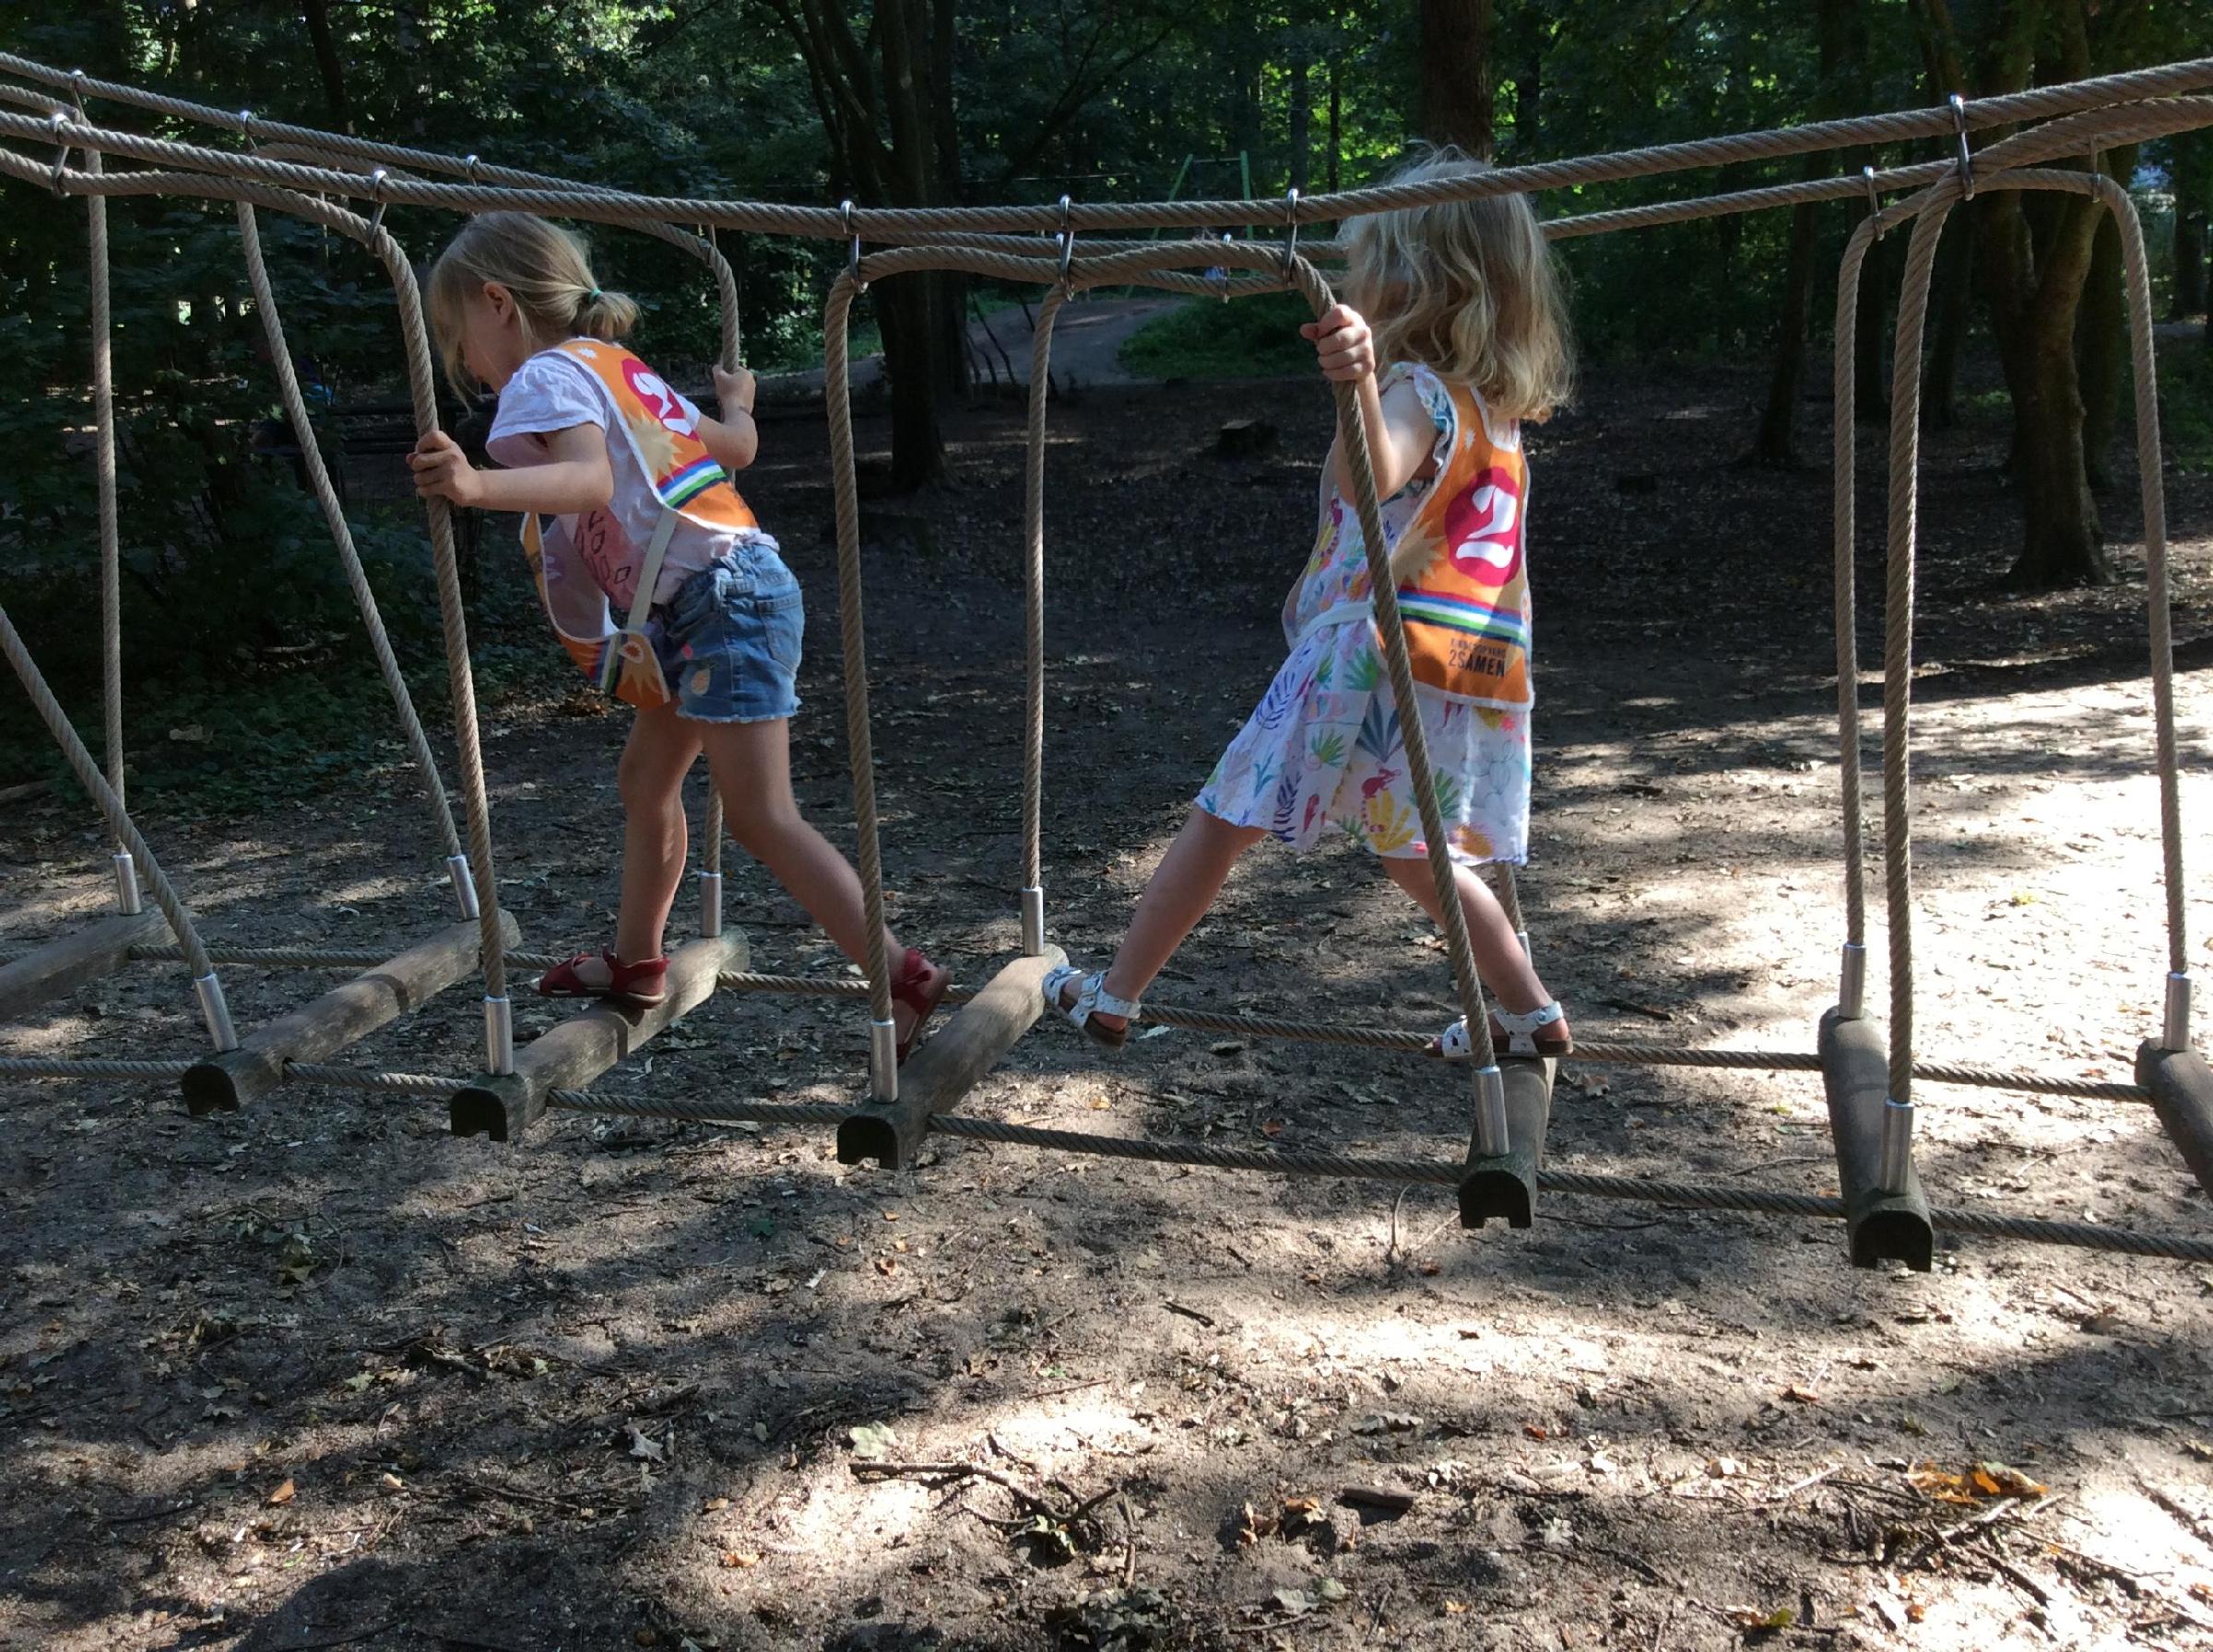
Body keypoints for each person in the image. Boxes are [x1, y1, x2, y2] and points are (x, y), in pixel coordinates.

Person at [1045, 151, 1573, 1062]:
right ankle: (1530, 1011)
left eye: (1370, 256)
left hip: (1366, 660)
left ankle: (1114, 993)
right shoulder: (1498, 417)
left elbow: (1374, 476)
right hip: (1466, 672)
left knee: (1223, 816)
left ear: (1414, 274)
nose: (1358, 272)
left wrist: (1360, 380)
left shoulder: (1419, 393)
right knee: (1421, 856)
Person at [410, 212, 948, 1056]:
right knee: (645, 777)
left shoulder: (544, 378)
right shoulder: (617, 368)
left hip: (716, 601)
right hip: (713, 599)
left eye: (456, 335)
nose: (461, 360)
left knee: (763, 813)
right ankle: (635, 962)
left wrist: (475, 485)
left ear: (498, 302)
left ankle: (901, 975)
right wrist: (736, 405)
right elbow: (733, 447)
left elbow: (587, 482)